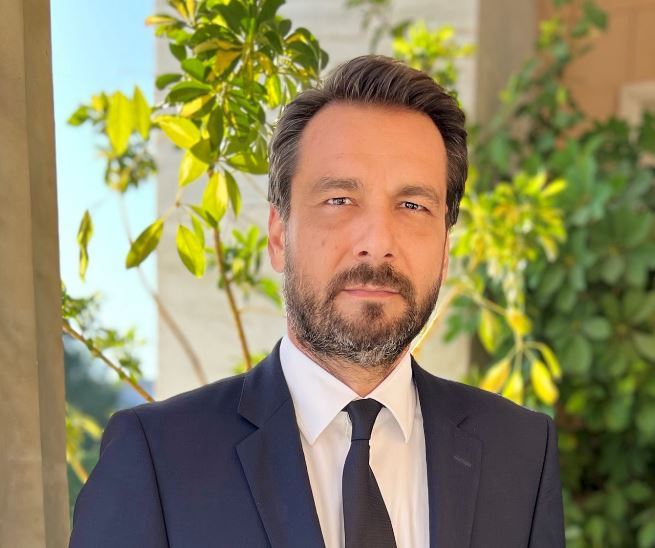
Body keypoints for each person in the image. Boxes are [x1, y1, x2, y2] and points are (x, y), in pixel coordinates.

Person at [69, 55, 565, 548]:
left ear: (445, 250)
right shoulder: (157, 459)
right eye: (340, 200)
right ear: (279, 235)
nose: (378, 241)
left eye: (413, 205)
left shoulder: (522, 454)